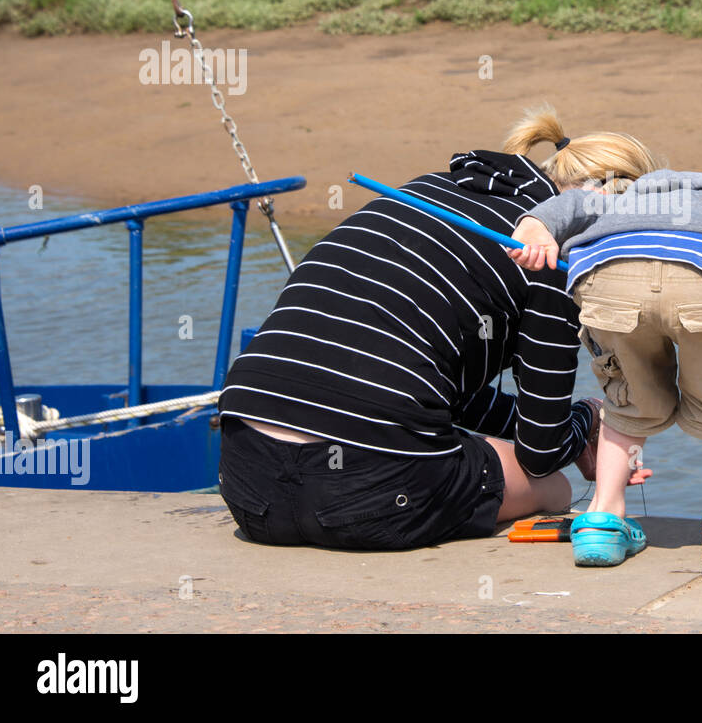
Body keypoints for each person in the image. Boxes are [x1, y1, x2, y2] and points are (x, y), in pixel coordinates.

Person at [216, 107, 661, 550]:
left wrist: (565, 428)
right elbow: (540, 453)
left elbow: (438, 390)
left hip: (248, 486)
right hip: (371, 500)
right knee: (552, 488)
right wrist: (586, 420)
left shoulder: (424, 190)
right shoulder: (548, 256)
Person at [508, 141, 702, 567]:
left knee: (627, 400)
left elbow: (578, 201)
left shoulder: (638, 193)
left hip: (609, 279)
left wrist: (536, 225)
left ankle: (603, 518)